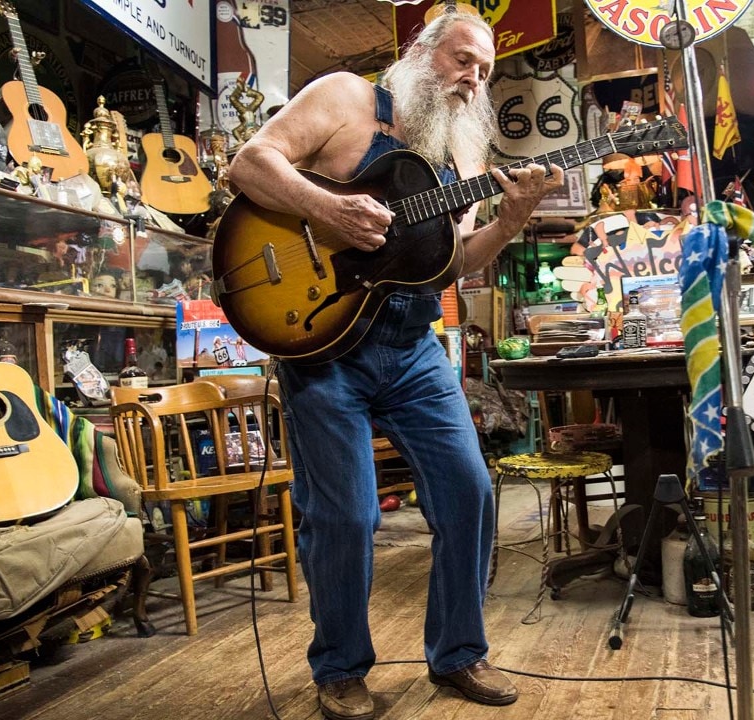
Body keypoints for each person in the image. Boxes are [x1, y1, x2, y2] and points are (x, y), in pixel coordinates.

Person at [227, 8, 563, 720]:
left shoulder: (462, 158)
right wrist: (327, 210)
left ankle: (458, 656)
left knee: (470, 491)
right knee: (345, 515)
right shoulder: (345, 97)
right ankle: (340, 669)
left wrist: (511, 220)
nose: (473, 79)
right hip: (324, 345)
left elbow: (451, 263)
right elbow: (248, 163)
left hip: (412, 348)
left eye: (485, 71)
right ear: (423, 50)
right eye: (463, 59)